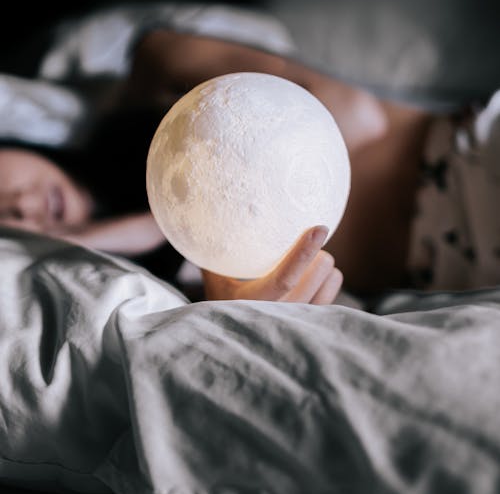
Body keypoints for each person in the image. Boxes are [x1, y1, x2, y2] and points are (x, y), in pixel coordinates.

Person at [0, 27, 496, 298]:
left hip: (471, 151)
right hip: (462, 265)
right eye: (5, 221)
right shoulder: (164, 275)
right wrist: (100, 238)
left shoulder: (161, 115)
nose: (20, 207)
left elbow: (158, 47)